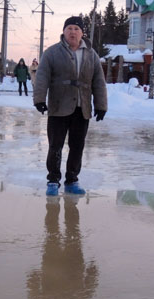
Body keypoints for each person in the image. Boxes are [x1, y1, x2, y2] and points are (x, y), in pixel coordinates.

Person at [32, 16, 107, 196]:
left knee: (77, 146)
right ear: (64, 32)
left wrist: (101, 105)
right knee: (55, 146)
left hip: (82, 108)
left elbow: (99, 81)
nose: (72, 32)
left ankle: (72, 180)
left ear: (82, 33)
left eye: (76, 29)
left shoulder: (91, 54)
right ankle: (53, 180)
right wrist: (39, 99)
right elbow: (41, 77)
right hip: (59, 106)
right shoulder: (52, 53)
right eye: (69, 28)